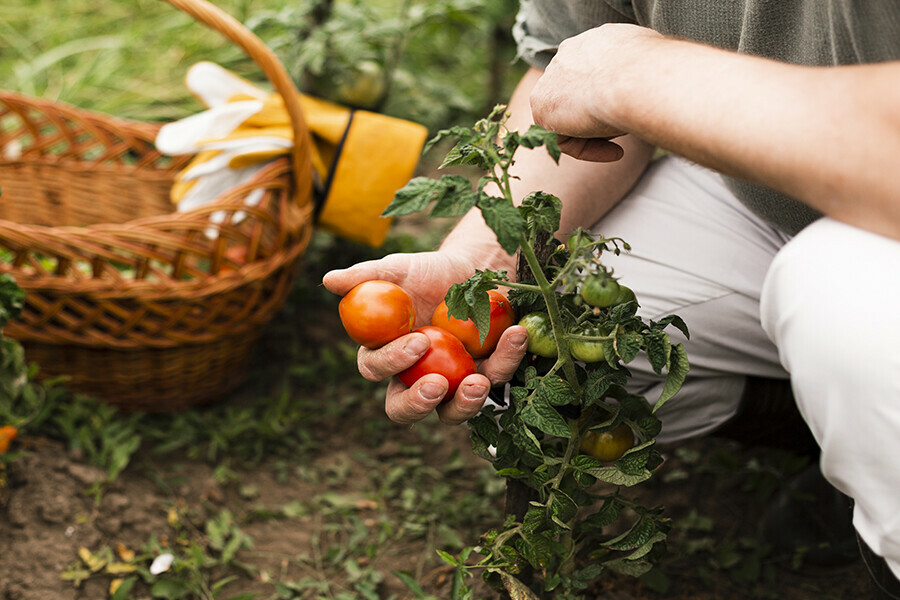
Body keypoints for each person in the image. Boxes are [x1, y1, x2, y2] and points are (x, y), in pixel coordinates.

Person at [323, 2, 900, 595]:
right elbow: (566, 74)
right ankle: (841, 449)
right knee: (545, 352)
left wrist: (636, 74)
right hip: (763, 190)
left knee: (841, 298)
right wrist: (483, 265)